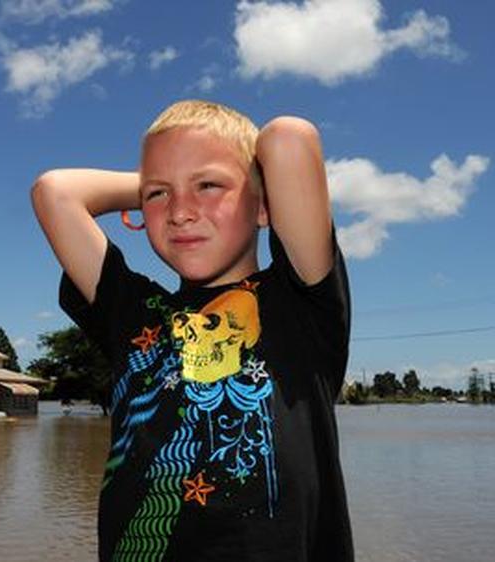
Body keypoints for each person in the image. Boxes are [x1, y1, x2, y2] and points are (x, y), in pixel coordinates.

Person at [31, 100, 352, 561]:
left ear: (265, 207)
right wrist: (158, 181)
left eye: (208, 185)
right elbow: (54, 191)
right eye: (159, 195)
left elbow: (288, 138)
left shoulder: (299, 303)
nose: (181, 211)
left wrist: (177, 176)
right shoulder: (134, 312)